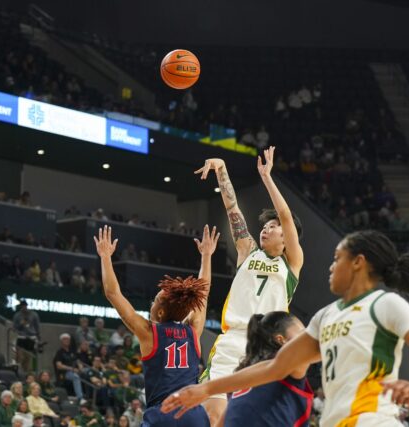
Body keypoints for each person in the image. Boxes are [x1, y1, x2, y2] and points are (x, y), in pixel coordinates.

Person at [162, 230, 409, 427]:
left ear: (358, 263)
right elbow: (275, 367)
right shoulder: (325, 316)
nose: (330, 267)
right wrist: (206, 388)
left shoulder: (386, 304)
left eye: (337, 259)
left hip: (374, 419)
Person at [193, 147, 304, 424]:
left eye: (273, 226)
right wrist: (221, 169)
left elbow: (287, 215)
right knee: (214, 415)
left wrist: (266, 177)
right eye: (265, 226)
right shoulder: (248, 251)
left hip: (266, 347)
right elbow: (232, 208)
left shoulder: (291, 263)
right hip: (232, 340)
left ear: (286, 236)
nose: (266, 228)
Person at [94, 224, 219, 426]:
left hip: (163, 413)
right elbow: (202, 293)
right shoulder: (193, 330)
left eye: (155, 300)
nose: (152, 303)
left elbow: (112, 293)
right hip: (193, 415)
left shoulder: (149, 332)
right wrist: (206, 256)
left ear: (159, 312)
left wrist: (106, 257)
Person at [221, 311, 312, 427]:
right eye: (302, 333)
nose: (308, 336)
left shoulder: (246, 374)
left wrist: (207, 389)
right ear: (281, 339)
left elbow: (222, 422)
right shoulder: (290, 366)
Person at [52, 334, 83, 401]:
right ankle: (80, 397)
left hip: (73, 371)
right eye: (65, 339)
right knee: (75, 377)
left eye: (68, 339)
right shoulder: (59, 352)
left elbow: (77, 359)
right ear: (61, 341)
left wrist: (80, 366)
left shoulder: (71, 351)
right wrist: (71, 369)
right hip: (64, 373)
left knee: (85, 373)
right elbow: (59, 365)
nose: (67, 341)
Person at [12, 300, 41, 373]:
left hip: (31, 337)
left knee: (28, 357)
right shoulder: (17, 315)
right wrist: (21, 324)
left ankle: (25, 372)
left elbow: (37, 326)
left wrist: (38, 335)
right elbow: (14, 328)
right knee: (19, 356)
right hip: (21, 337)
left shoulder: (34, 314)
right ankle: (17, 369)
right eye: (22, 306)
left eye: (25, 306)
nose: (24, 308)